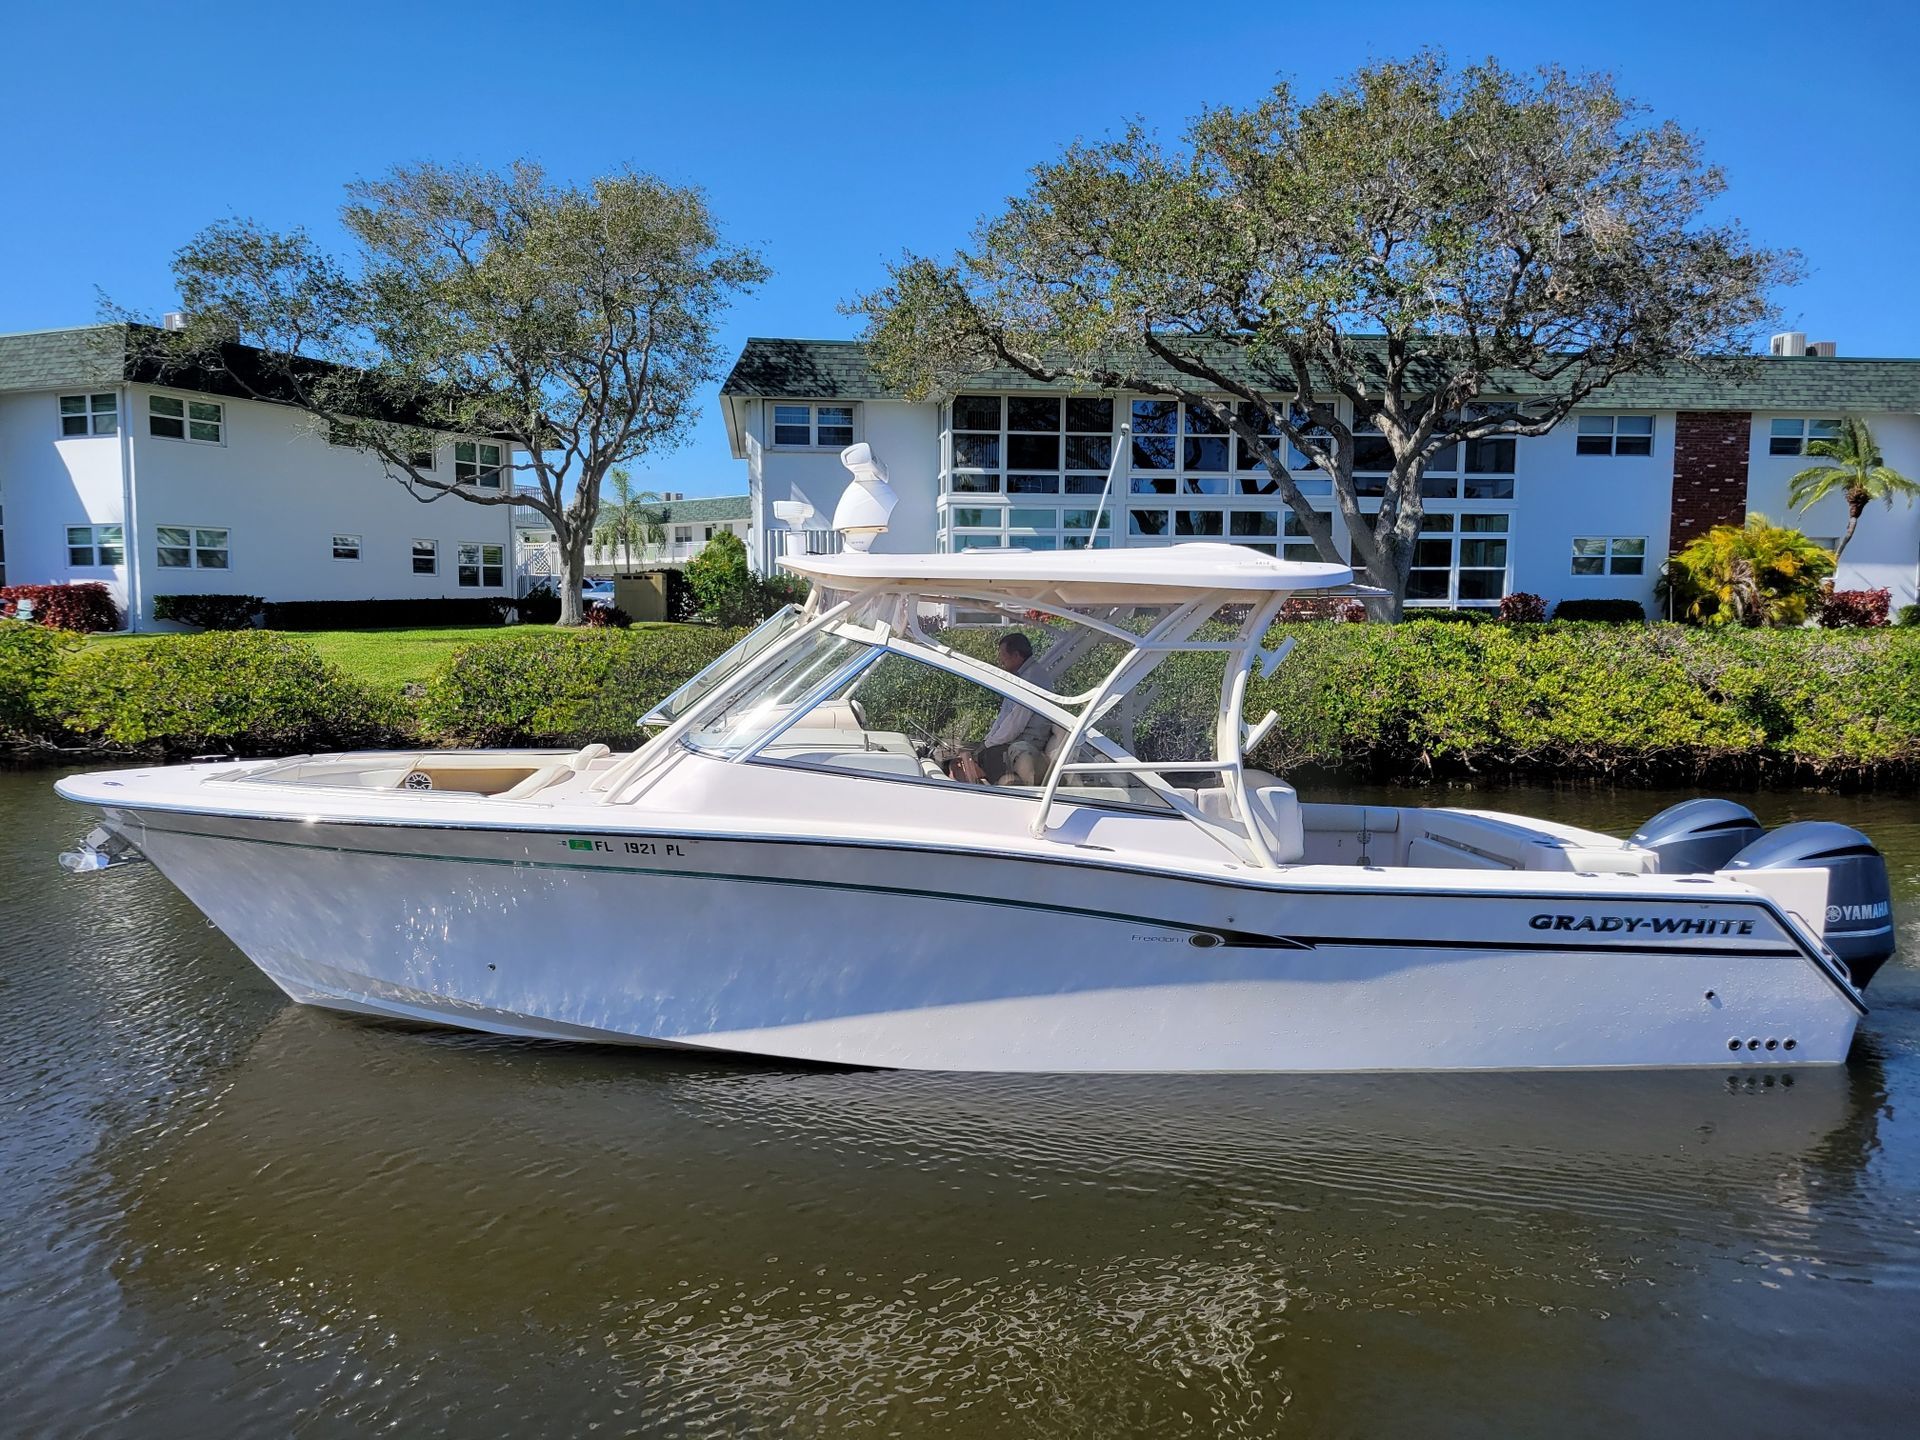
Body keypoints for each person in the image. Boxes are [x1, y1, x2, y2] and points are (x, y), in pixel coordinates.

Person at [954, 633, 1053, 785]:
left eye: (1003, 655)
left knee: (981, 759)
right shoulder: (1022, 675)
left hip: (1026, 745)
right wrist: (987, 741)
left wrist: (986, 746)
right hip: (1018, 741)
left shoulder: (1030, 681)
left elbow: (1014, 725)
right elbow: (1005, 717)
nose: (1000, 660)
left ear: (1016, 655)